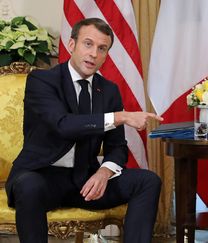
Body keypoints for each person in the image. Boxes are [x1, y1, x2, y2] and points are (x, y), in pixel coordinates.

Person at [5, 18, 163, 243]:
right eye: (87, 44)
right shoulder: (42, 81)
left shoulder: (108, 90)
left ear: (106, 55)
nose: (94, 54)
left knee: (148, 181)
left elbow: (117, 147)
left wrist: (104, 173)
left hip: (84, 180)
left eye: (102, 48)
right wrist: (120, 117)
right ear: (71, 45)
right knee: (29, 186)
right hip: (41, 176)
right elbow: (63, 125)